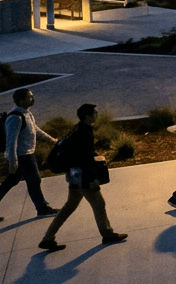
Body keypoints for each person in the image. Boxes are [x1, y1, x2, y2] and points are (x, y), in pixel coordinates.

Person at [37, 104, 126, 251]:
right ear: (87, 116)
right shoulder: (85, 134)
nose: (97, 114)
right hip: (83, 176)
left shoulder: (77, 129)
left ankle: (48, 238)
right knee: (99, 203)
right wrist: (92, 180)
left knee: (69, 207)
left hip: (74, 175)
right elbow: (85, 160)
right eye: (95, 113)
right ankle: (108, 234)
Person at [0, 88, 58, 222]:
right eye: (30, 97)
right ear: (22, 101)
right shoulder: (15, 117)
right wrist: (13, 161)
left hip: (26, 154)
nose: (33, 99)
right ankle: (42, 208)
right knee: (34, 180)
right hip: (23, 156)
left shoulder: (26, 113)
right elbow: (11, 141)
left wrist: (51, 140)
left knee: (11, 181)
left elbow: (35, 128)